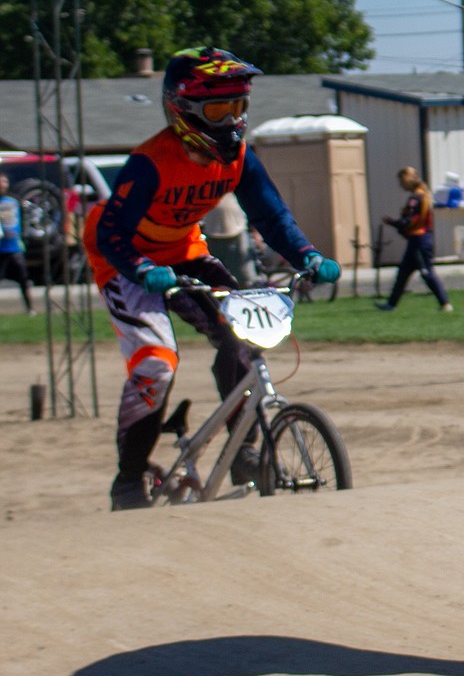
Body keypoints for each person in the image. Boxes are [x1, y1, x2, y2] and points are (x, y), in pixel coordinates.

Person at [83, 47, 341, 511]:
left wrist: (307, 255)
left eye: (239, 107)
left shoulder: (239, 156)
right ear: (183, 109)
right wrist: (141, 270)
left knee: (240, 335)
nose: (231, 120)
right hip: (123, 258)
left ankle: (242, 450)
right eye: (219, 109)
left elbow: (271, 215)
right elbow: (109, 233)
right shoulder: (150, 162)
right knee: (155, 366)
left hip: (183, 250)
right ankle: (128, 480)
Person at [376, 166, 453, 312]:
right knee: (403, 273)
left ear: (406, 181)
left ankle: (445, 303)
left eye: (401, 182)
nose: (400, 186)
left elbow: (409, 221)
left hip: (420, 241)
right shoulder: (423, 194)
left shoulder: (416, 198)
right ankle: (390, 305)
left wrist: (392, 222)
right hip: (418, 240)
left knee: (426, 272)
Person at [0, 172, 36, 314]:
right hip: (0, 247)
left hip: (14, 246)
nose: (2, 183)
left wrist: (25, 234)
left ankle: (30, 308)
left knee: (23, 278)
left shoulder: (14, 199)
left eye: (4, 181)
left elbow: (23, 218)